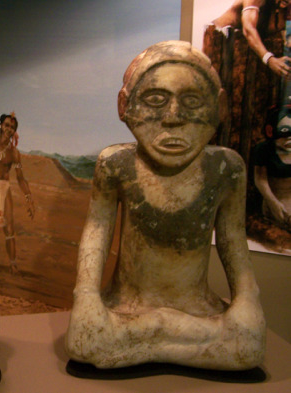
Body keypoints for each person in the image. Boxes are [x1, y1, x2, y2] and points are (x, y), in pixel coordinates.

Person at [65, 41, 265, 370]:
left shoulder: (226, 168)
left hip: (199, 310)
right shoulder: (116, 163)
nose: (173, 118)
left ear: (219, 107)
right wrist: (86, 296)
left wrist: (247, 299)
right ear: (124, 106)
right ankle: (175, 344)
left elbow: (232, 238)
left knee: (249, 346)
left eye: (191, 101)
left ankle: (152, 341)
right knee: (84, 340)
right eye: (156, 100)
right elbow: (98, 229)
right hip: (126, 308)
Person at [203, 0, 290, 162]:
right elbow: (248, 29)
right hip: (227, 50)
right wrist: (269, 59)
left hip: (258, 64)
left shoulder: (284, 8)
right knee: (228, 121)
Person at [0, 114, 35, 274]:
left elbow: (21, 179)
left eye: (12, 127)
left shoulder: (14, 153)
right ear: (1, 125)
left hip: (3, 187)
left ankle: (13, 264)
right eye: (7, 125)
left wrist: (29, 199)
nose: (9, 129)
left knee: (9, 228)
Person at [254, 114, 291, 229]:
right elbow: (260, 180)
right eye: (284, 132)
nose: (289, 137)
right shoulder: (264, 149)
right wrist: (273, 203)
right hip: (275, 202)